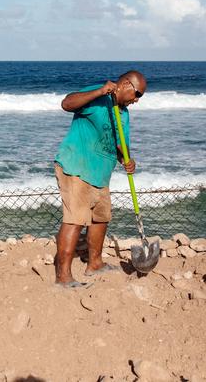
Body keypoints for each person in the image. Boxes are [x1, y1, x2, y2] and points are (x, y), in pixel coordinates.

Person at [53, 70, 147, 287]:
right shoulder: (98, 97)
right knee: (75, 220)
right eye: (137, 94)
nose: (136, 100)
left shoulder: (123, 114)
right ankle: (63, 277)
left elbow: (120, 146)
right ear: (125, 84)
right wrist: (100, 91)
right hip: (77, 166)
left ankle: (94, 264)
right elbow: (67, 103)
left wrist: (127, 160)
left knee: (100, 219)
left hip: (100, 174)